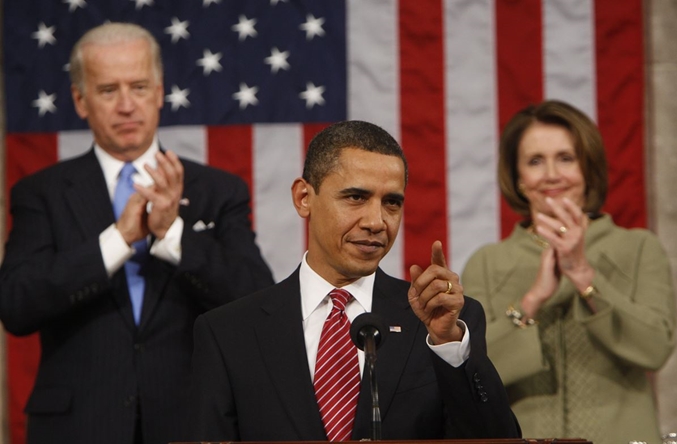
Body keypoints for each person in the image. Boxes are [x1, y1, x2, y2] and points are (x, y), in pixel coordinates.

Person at [0, 22, 274, 444]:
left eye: (140, 87)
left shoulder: (218, 191)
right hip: (77, 428)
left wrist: (172, 236)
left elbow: (256, 301)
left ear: (161, 92)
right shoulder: (42, 193)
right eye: (109, 90)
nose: (127, 105)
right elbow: (16, 306)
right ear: (80, 100)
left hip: (189, 424)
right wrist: (118, 240)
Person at [187, 120, 521, 441]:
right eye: (356, 198)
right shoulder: (228, 333)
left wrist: (449, 345)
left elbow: (494, 440)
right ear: (304, 197)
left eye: (391, 203)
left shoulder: (443, 322)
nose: (377, 222)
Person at [462, 100, 676, 444]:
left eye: (566, 158)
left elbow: (655, 349)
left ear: (588, 169)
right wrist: (531, 301)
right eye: (535, 161)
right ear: (517, 179)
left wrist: (584, 277)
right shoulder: (486, 263)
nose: (551, 174)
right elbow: (471, 379)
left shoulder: (638, 248)